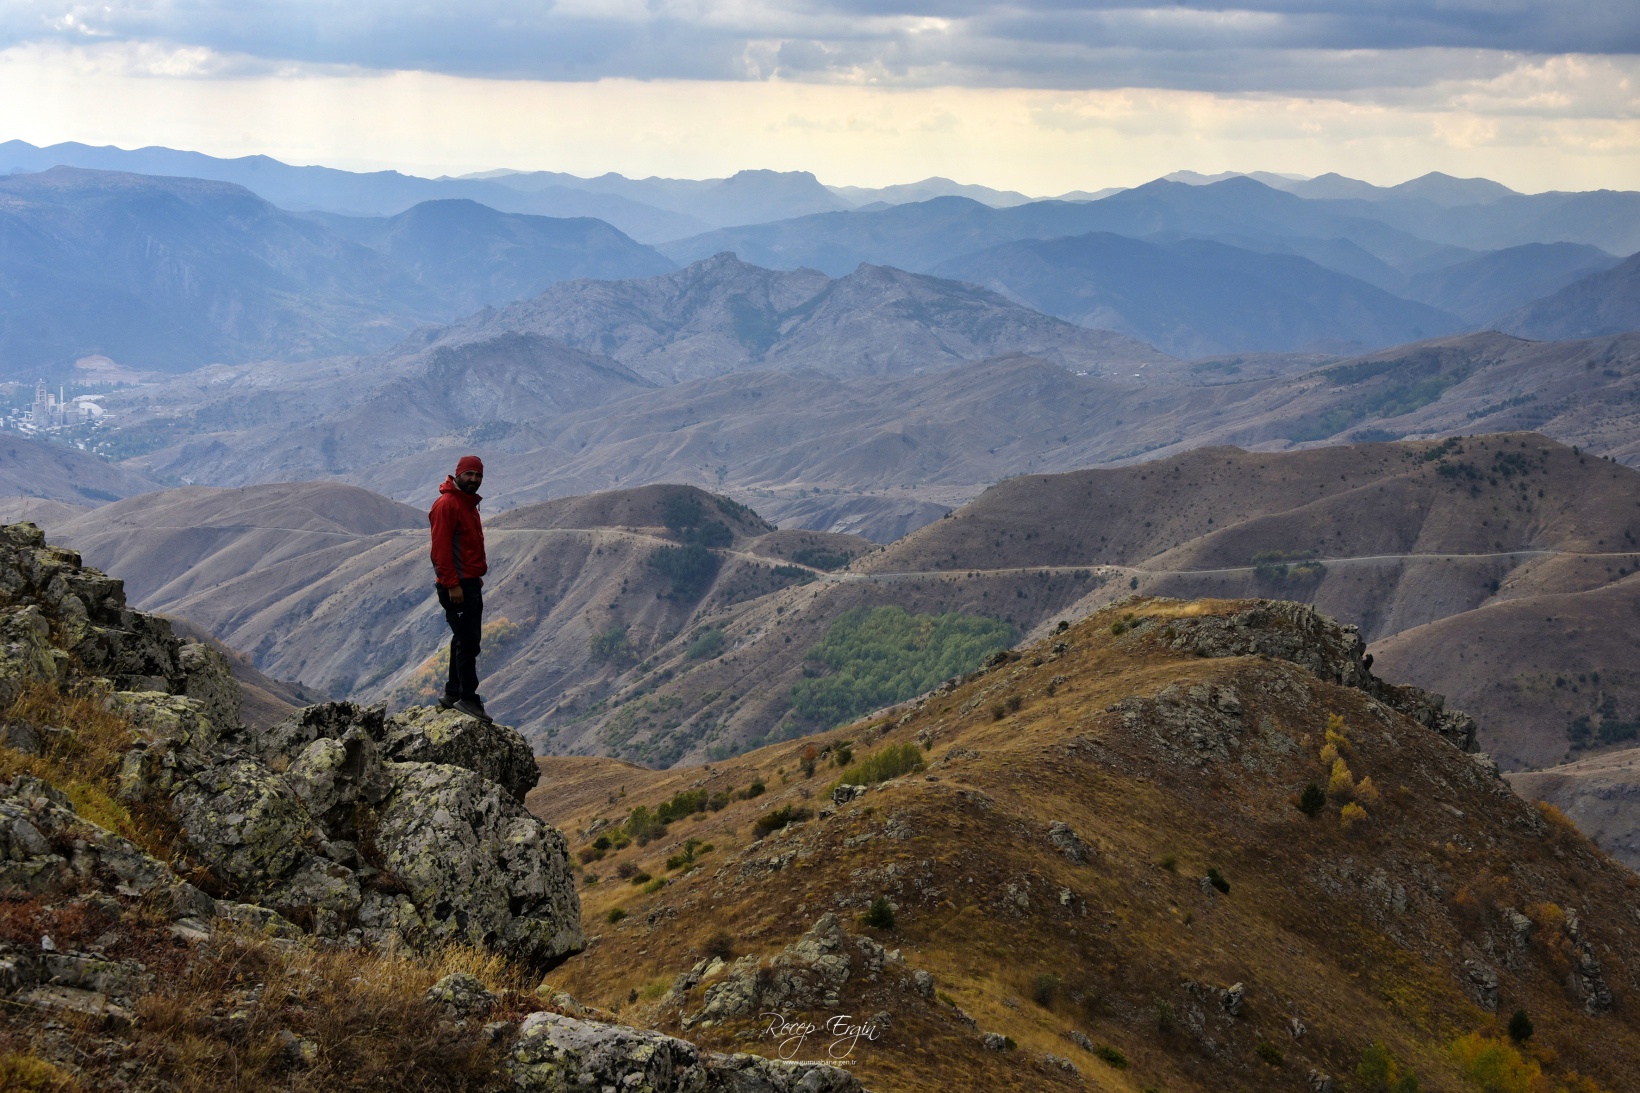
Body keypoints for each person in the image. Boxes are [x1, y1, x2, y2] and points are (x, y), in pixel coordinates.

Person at [429, 455, 492, 722]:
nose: (474, 480)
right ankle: (468, 699)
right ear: (458, 474)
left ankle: (453, 693)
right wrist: (452, 584)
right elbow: (440, 551)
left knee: (462, 639)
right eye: (469, 474)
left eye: (478, 476)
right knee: (469, 643)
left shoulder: (466, 504)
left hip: (467, 582)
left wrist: (474, 577)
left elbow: (464, 547)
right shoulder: (448, 504)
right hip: (456, 586)